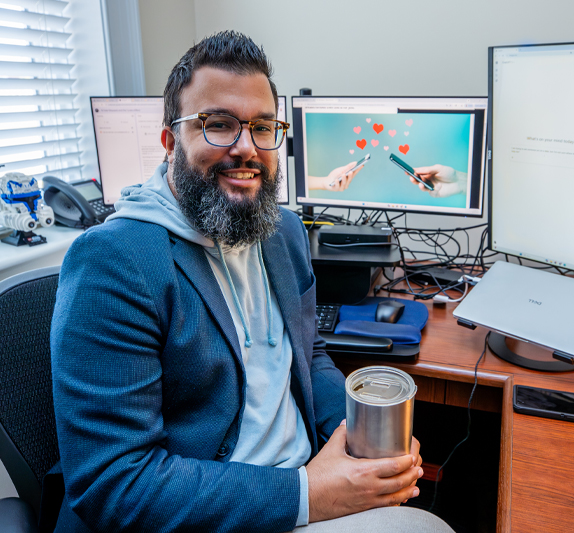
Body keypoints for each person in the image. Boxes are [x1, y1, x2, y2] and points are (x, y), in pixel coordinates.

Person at [48, 31, 452, 533]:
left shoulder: (281, 231)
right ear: (170, 142)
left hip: (304, 479)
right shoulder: (114, 261)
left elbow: (309, 354)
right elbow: (114, 483)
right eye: (218, 125)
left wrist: (359, 439)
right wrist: (309, 494)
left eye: (262, 127)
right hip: (212, 515)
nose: (246, 148)